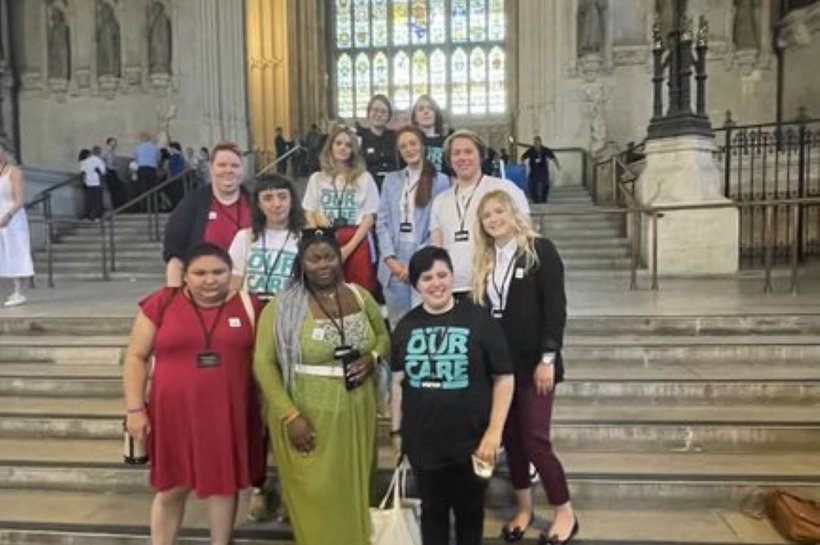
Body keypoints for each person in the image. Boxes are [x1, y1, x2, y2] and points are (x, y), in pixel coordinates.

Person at [253, 228, 390, 545]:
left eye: (329, 256)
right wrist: (290, 415)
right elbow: (263, 363)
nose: (323, 264)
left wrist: (371, 357)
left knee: (353, 486)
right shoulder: (283, 306)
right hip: (308, 414)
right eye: (314, 258)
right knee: (315, 491)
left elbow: (382, 336)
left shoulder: (360, 295)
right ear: (301, 262)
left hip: (357, 411)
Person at [123, 243, 264, 545]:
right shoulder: (162, 302)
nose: (209, 280)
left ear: (232, 273)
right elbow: (135, 356)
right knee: (171, 487)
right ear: (185, 275)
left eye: (218, 272)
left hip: (227, 414)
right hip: (173, 415)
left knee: (223, 487)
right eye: (199, 273)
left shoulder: (249, 305)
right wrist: (134, 409)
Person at [472, 190, 577, 545]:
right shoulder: (487, 260)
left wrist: (548, 357)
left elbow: (555, 309)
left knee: (534, 440)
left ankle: (565, 511)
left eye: (499, 211)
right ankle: (523, 508)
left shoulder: (539, 250)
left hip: (535, 366)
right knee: (512, 440)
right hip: (503, 369)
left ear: (513, 213)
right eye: (487, 216)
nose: (494, 219)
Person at [390, 246, 514, 545]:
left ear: (452, 276)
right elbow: (397, 382)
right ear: (416, 284)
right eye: (427, 277)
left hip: (473, 443)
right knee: (433, 515)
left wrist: (494, 433)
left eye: (442, 275)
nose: (436, 283)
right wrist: (397, 433)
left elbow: (505, 378)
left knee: (470, 516)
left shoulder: (479, 320)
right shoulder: (406, 326)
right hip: (424, 444)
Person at [430, 129, 529, 298]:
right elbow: (436, 249)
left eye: (468, 151)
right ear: (449, 160)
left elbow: (525, 232)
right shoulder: (440, 201)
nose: (462, 158)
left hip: (496, 285)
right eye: (456, 153)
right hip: (454, 289)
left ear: (480, 156)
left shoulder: (504, 188)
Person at [376, 126, 449, 328]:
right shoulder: (391, 180)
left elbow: (439, 224)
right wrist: (390, 259)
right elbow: (381, 222)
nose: (409, 149)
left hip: (423, 254)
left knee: (425, 321)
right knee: (399, 324)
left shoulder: (440, 181)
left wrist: (415, 261)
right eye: (403, 146)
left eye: (413, 143)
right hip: (393, 260)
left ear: (422, 146)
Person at [302, 124, 379, 292]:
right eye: (338, 143)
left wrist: (347, 249)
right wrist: (321, 239)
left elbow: (369, 217)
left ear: (354, 150)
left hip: (355, 238)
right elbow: (310, 211)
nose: (343, 148)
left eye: (348, 145)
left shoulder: (364, 178)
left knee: (358, 290)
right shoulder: (317, 179)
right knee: (326, 289)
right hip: (325, 236)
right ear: (330, 146)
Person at [164, 141, 251, 287]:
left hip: (246, 294)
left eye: (235, 166)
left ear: (242, 170)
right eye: (222, 165)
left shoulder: (256, 203)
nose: (228, 170)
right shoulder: (191, 204)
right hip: (203, 290)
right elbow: (175, 258)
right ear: (211, 168)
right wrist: (174, 297)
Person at [229, 174, 303, 300]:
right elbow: (233, 284)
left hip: (289, 311)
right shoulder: (244, 237)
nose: (276, 204)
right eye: (268, 198)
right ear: (259, 204)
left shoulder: (304, 239)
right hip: (250, 311)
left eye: (282, 197)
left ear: (292, 201)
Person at [0, 147, 34, 307]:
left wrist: (9, 215)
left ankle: (18, 291)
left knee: (15, 251)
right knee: (3, 252)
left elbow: (20, 200)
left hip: (12, 217)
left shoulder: (14, 172)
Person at [356, 94, 398, 191]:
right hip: (367, 188)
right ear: (369, 113)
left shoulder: (395, 137)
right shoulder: (359, 138)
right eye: (375, 110)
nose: (379, 114)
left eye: (383, 111)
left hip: (392, 188)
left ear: (389, 116)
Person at [411, 94, 451, 174]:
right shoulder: (411, 142)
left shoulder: (448, 141)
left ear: (435, 114)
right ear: (415, 117)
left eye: (430, 108)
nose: (426, 111)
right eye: (421, 109)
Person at [522, 136, 560, 204]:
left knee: (545, 185)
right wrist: (522, 165)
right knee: (532, 186)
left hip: (543, 170)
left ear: (540, 142)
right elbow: (523, 157)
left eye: (537, 142)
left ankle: (544, 199)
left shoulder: (545, 150)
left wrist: (557, 165)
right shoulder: (531, 150)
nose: (536, 144)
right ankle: (535, 200)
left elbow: (553, 157)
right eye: (535, 142)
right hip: (534, 171)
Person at [79, 146, 106, 221]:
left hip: (88, 183)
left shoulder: (86, 161)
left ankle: (87, 216)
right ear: (99, 152)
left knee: (89, 201)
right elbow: (102, 172)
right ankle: (96, 216)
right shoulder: (99, 160)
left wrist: (83, 182)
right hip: (97, 183)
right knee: (97, 201)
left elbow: (82, 172)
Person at [102, 137, 128, 208]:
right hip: (108, 171)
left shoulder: (113, 153)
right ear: (108, 144)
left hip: (113, 171)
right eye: (112, 144)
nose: (114, 145)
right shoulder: (106, 153)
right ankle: (115, 205)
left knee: (118, 188)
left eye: (114, 144)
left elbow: (115, 163)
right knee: (113, 189)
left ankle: (118, 204)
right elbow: (103, 162)